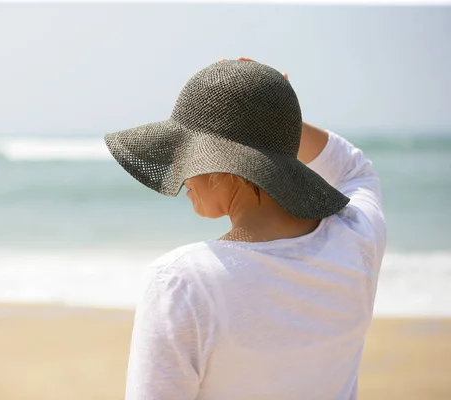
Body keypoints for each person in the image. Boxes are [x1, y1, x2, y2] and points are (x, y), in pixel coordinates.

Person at [104, 57, 386, 400]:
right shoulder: (356, 241)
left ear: (222, 167)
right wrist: (272, 114)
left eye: (189, 155)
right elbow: (353, 168)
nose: (179, 168)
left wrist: (265, 113)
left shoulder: (181, 283)